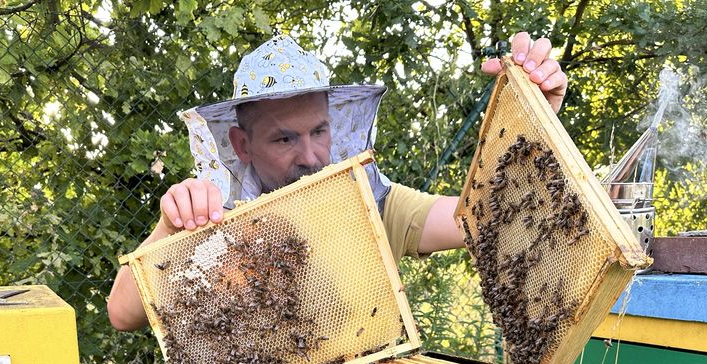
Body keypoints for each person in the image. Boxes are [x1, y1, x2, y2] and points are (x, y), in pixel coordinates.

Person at [108, 31, 567, 331]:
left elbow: (481, 218)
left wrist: (531, 117)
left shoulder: (368, 203)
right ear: (241, 145)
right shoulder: (211, 223)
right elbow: (123, 314)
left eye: (319, 131)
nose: (310, 156)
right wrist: (170, 227)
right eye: (284, 138)